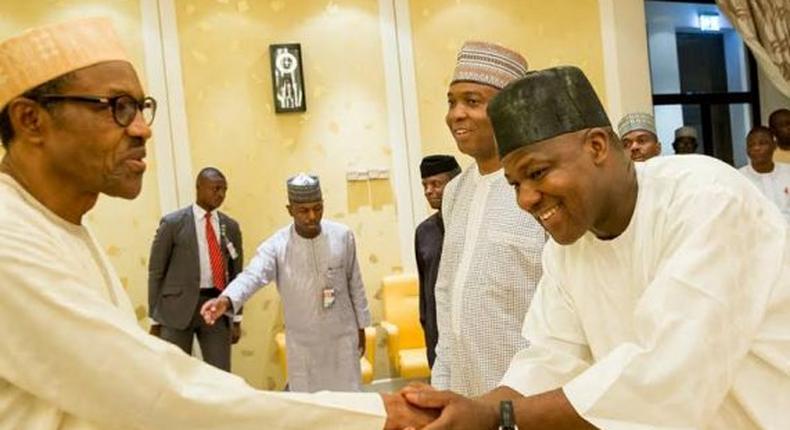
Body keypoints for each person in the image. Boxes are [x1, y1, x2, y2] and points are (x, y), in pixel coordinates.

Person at [0, 17, 434, 429]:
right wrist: (379, 416)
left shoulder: (62, 226)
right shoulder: (10, 237)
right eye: (117, 107)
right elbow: (161, 394)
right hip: (305, 354)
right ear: (30, 120)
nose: (141, 130)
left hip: (339, 346)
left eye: (141, 108)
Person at [403, 66, 790, 429]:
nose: (525, 198)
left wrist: (497, 415)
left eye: (536, 173)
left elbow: (666, 378)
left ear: (598, 146)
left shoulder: (707, 199)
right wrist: (462, 411)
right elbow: (550, 359)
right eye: (515, 183)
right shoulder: (567, 248)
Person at [432, 41, 545, 397]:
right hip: (465, 393)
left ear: (509, 109)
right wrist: (443, 385)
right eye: (452, 102)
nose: (456, 114)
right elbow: (447, 293)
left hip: (528, 396)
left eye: (472, 101)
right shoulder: (455, 191)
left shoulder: (542, 186)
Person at [201, 173, 372, 392]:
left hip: (341, 338)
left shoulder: (342, 236)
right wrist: (226, 299)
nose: (312, 216)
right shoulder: (277, 246)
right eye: (303, 210)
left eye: (317, 208)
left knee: (349, 404)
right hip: (304, 345)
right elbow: (252, 276)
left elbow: (354, 283)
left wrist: (361, 326)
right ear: (290, 210)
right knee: (311, 411)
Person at [148, 167, 243, 371]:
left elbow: (237, 274)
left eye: (224, 190)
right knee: (175, 372)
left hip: (216, 307)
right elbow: (156, 272)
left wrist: (236, 318)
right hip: (176, 309)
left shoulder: (230, 227)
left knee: (220, 373)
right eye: (215, 188)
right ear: (199, 188)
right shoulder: (173, 223)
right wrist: (155, 319)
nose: (220, 194)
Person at [414, 154, 460, 368]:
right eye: (425, 185)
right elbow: (424, 288)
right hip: (437, 331)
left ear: (456, 183)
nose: (428, 191)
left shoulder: (471, 224)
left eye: (436, 184)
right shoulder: (424, 232)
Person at [739, 126, 790, 221]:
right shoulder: (739, 178)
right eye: (751, 145)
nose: (756, 148)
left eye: (762, 143)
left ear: (774, 145)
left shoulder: (787, 172)